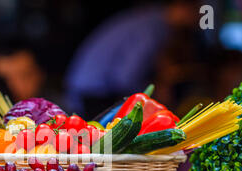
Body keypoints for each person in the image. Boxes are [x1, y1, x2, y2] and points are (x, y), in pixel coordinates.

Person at [65, 0, 200, 119]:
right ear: (182, 6)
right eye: (197, 11)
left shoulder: (150, 19)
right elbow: (124, 78)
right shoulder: (152, 28)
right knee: (103, 144)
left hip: (88, 85)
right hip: (95, 91)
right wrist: (153, 97)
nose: (198, 19)